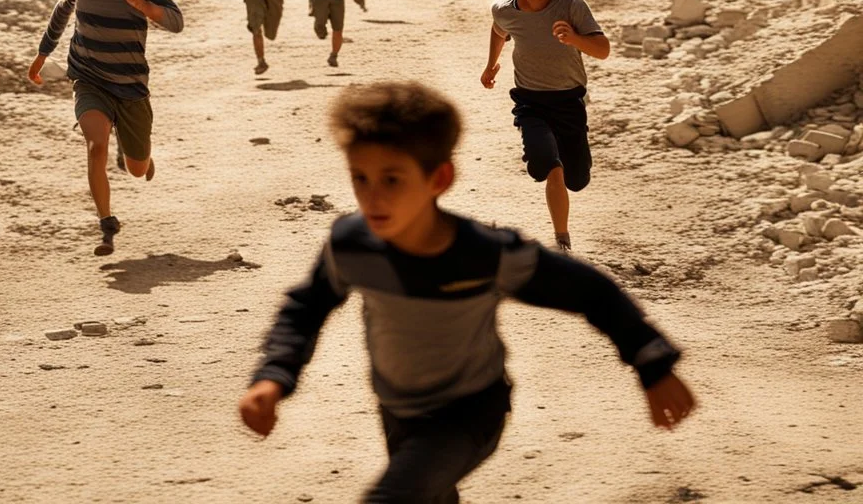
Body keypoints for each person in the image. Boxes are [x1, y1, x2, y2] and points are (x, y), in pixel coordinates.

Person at [239, 81, 695, 503]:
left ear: (438, 179)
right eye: (360, 178)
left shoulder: (484, 254)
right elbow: (306, 307)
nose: (372, 197)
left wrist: (651, 363)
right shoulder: (351, 244)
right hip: (398, 411)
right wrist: (272, 377)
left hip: (470, 413)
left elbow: (589, 290)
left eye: (392, 179)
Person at [27, 0, 184, 256]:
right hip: (89, 76)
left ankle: (137, 155)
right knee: (95, 145)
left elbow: (176, 21)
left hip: (130, 86)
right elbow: (66, 7)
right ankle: (106, 222)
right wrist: (43, 53)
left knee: (135, 167)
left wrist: (142, 5)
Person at [481, 0, 610, 251]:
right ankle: (562, 240)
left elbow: (603, 49)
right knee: (549, 165)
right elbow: (499, 30)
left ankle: (567, 182)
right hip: (530, 102)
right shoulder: (505, 10)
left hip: (569, 101)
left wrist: (575, 38)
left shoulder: (571, 6)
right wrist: (491, 64)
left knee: (576, 179)